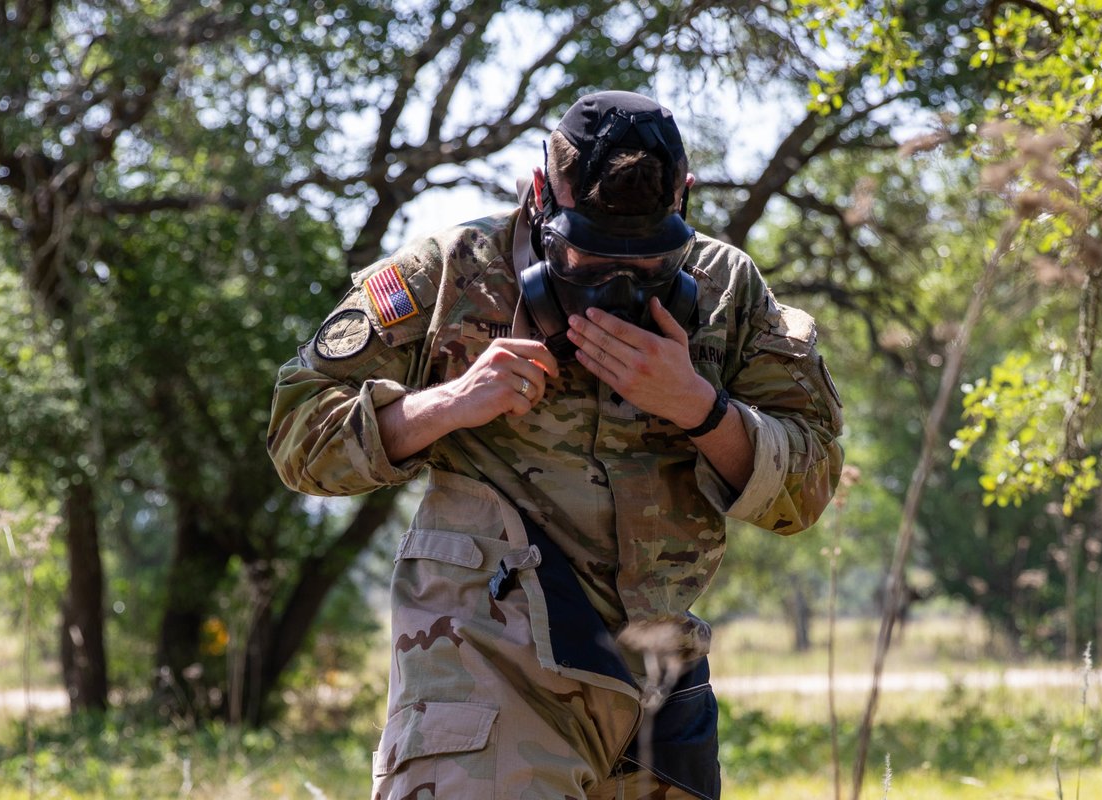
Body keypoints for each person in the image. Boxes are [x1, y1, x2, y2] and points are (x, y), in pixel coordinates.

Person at [268, 90, 844, 800]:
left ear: (685, 203)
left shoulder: (729, 291)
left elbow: (808, 487)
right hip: (490, 662)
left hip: (659, 691)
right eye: (590, 257)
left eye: (651, 262)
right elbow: (299, 434)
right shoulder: (448, 274)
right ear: (541, 194)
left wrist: (700, 407)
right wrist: (447, 404)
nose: (619, 285)